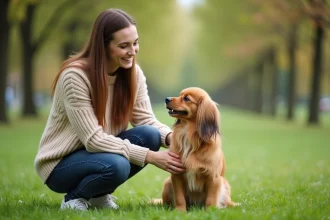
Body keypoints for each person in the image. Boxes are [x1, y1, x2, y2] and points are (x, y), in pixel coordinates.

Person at [34, 8, 185, 211]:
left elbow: (146, 120)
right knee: (118, 165)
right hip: (61, 164)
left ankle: (97, 195)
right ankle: (74, 198)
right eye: (124, 46)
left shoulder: (133, 73)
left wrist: (174, 140)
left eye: (135, 42)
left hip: (101, 154)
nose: (132, 51)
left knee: (150, 135)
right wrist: (151, 157)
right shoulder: (75, 77)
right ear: (103, 47)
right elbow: (93, 139)